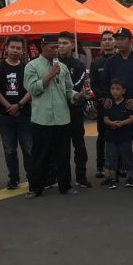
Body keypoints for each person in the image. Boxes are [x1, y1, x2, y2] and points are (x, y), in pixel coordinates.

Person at [24, 34, 86, 198]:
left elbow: (68, 90)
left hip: (62, 117)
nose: (56, 50)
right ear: (43, 47)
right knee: (40, 155)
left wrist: (77, 95)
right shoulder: (32, 66)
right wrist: (50, 74)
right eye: (53, 47)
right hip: (42, 118)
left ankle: (65, 186)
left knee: (63, 155)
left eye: (57, 47)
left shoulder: (62, 68)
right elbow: (33, 89)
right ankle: (35, 188)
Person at [0, 35, 32, 190]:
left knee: (28, 148)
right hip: (4, 114)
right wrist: (9, 106)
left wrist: (19, 105)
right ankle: (13, 178)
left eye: (18, 48)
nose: (15, 50)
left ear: (22, 50)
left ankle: (32, 176)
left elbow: (32, 89)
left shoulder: (27, 67)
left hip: (24, 113)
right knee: (9, 149)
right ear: (6, 48)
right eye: (12, 47)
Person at [58, 31, 91, 188]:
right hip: (58, 110)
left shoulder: (79, 65)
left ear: (72, 45)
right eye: (59, 43)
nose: (61, 46)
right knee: (59, 146)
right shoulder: (53, 63)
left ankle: (81, 176)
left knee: (79, 144)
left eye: (65, 43)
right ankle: (60, 177)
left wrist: (64, 92)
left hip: (75, 110)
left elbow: (76, 87)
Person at [89, 30, 116, 178]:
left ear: (114, 42)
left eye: (110, 39)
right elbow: (94, 84)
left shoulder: (119, 61)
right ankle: (100, 166)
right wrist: (103, 99)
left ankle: (119, 166)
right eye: (104, 39)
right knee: (102, 136)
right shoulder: (96, 63)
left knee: (119, 136)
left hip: (119, 104)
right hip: (102, 105)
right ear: (101, 43)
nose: (107, 42)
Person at [101, 28, 133, 114]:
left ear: (130, 41)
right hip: (114, 106)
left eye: (122, 39)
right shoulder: (110, 61)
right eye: (117, 39)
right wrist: (107, 97)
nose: (119, 42)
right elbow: (105, 82)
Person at [102, 79, 133, 189]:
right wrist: (111, 123)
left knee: (127, 158)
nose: (115, 91)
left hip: (125, 137)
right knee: (111, 159)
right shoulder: (108, 104)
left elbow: (132, 118)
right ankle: (112, 179)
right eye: (112, 89)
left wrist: (121, 123)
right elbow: (105, 119)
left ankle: (129, 178)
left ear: (123, 91)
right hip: (111, 137)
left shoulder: (128, 104)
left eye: (118, 89)